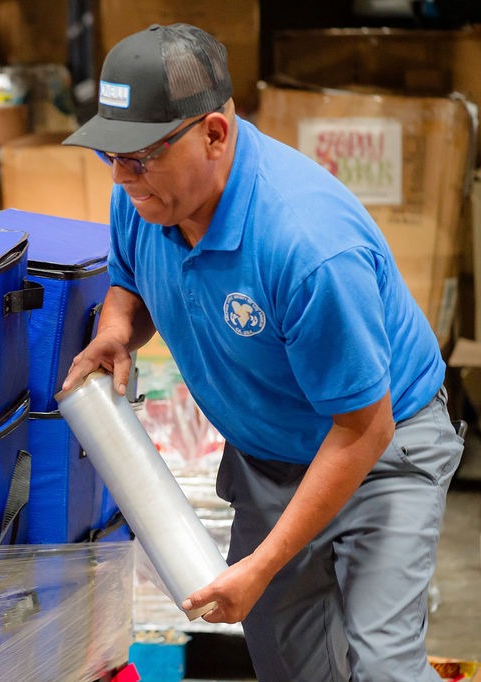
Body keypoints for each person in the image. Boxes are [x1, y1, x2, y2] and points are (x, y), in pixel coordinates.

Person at [61, 22, 464, 682]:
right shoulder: (143, 195)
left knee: (383, 666)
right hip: (269, 459)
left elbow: (365, 427)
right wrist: (115, 331)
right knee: (290, 665)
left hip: (380, 454)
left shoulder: (307, 248)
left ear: (214, 135)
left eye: (139, 156)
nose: (121, 175)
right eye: (111, 154)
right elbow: (128, 281)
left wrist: (266, 561)